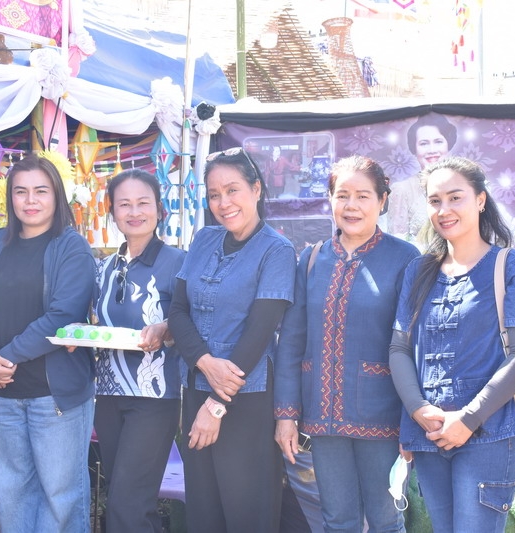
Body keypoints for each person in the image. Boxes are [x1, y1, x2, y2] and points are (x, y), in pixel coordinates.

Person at [389, 157, 515, 533]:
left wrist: (469, 419)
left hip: (488, 436)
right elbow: (399, 348)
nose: (444, 210)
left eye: (455, 197)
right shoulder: (418, 270)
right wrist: (418, 409)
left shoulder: (510, 265)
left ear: (481, 200)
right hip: (429, 435)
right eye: (435, 200)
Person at [275, 155, 419, 533]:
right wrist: (286, 415)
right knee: (337, 521)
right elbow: (291, 342)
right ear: (331, 200)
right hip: (323, 419)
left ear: (382, 200)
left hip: (383, 418)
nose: (351, 205)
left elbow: (414, 346)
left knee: (386, 520)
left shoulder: (405, 259)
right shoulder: (312, 259)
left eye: (363, 196)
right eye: (342, 195)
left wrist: (412, 421)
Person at [0, 153, 96, 533]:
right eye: (21, 192)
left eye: (41, 190)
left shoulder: (71, 247)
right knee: (12, 495)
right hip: (4, 396)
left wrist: (2, 359)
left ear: (56, 195)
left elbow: (62, 315)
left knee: (61, 498)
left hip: (55, 398)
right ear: (10, 198)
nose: (30, 200)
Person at [168, 146, 296, 533]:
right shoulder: (204, 240)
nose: (223, 203)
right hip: (196, 388)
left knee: (247, 511)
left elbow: (259, 332)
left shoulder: (277, 250)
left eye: (232, 190)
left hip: (246, 399)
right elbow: (178, 312)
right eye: (214, 194)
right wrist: (205, 363)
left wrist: (217, 404)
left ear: (256, 189)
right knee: (204, 510)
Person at [92, 169, 185, 533]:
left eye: (143, 203)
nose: (134, 212)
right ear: (112, 212)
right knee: (124, 497)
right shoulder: (104, 268)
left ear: (159, 209)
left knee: (127, 503)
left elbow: (195, 319)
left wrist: (167, 328)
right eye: (124, 204)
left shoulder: (179, 262)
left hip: (154, 395)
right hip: (107, 394)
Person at [388, 114, 458, 243]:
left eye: (438, 142)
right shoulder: (402, 189)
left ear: (448, 144)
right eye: (424, 143)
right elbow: (397, 242)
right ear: (414, 148)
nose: (432, 150)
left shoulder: (463, 184)